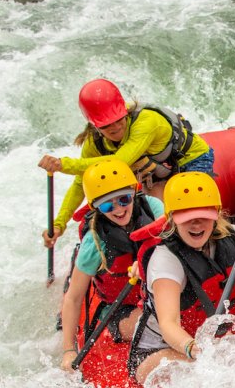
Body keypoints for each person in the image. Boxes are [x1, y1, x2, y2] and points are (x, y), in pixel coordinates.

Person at [129, 171, 235, 386]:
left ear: (216, 214)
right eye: (187, 218)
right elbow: (169, 324)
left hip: (209, 344)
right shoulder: (165, 260)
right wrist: (195, 349)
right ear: (172, 219)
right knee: (226, 374)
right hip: (160, 353)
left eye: (203, 217)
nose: (196, 224)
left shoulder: (232, 236)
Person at [39, 78, 215, 247]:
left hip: (191, 159)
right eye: (107, 125)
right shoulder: (94, 142)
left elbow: (121, 161)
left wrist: (64, 165)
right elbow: (80, 183)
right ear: (95, 126)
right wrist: (59, 224)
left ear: (124, 111)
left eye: (118, 119)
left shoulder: (146, 122)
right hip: (156, 172)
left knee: (187, 208)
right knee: (157, 217)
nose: (115, 127)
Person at [58, 159, 165, 372]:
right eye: (108, 205)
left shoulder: (153, 208)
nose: (118, 209)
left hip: (162, 291)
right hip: (122, 309)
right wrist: (69, 350)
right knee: (159, 328)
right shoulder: (95, 242)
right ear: (96, 207)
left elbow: (174, 240)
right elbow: (74, 297)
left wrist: (145, 261)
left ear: (134, 192)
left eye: (124, 199)